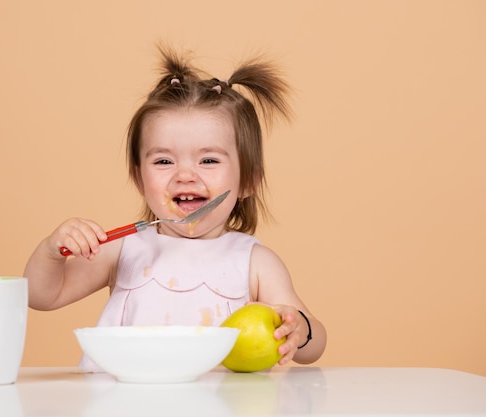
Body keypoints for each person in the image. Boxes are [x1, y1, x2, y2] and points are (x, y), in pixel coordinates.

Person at [24, 46, 326, 370]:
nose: (185, 175)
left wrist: (299, 330)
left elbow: (314, 346)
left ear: (248, 181)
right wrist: (51, 252)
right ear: (139, 179)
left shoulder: (254, 262)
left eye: (208, 160)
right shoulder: (124, 250)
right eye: (164, 161)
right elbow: (41, 296)